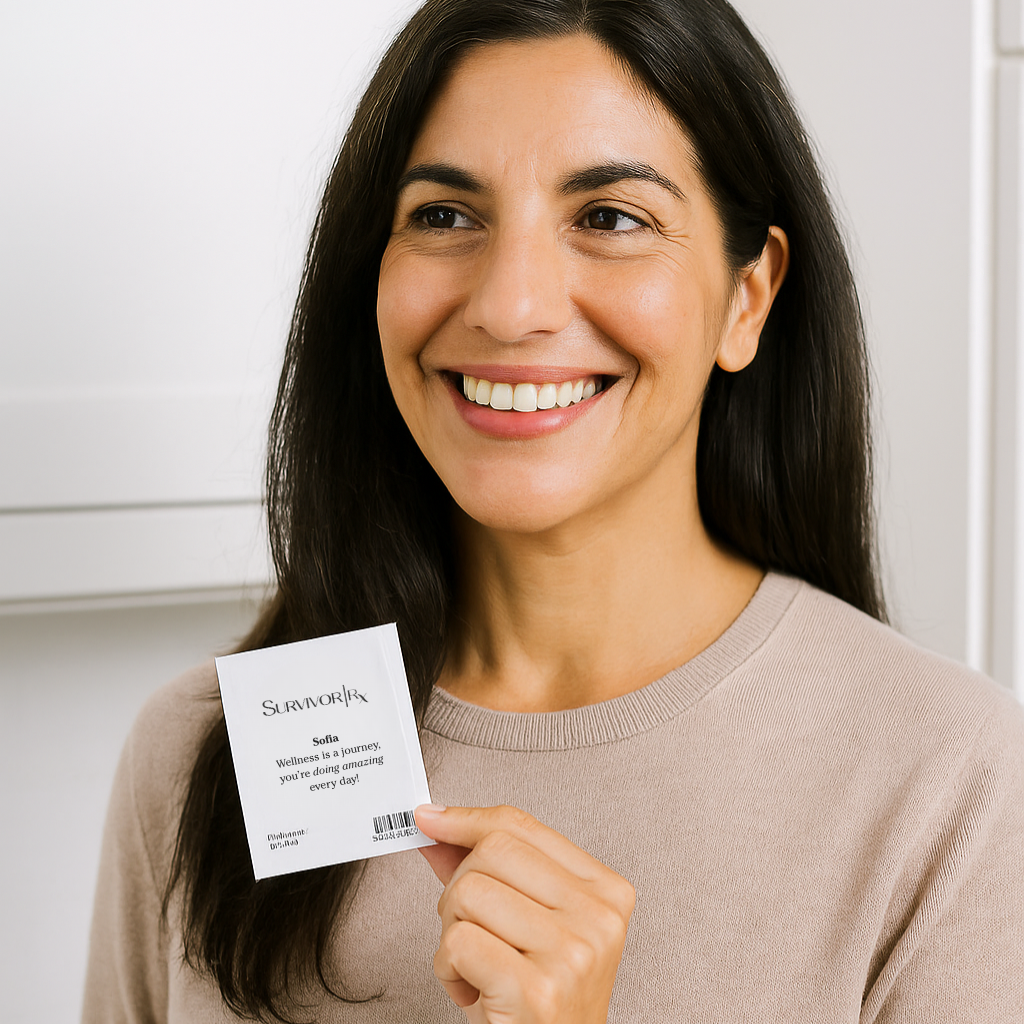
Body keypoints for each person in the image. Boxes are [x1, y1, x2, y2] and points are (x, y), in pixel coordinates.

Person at [83, 0, 1024, 1021]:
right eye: (445, 216)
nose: (510, 305)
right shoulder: (198, 753)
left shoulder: (952, 788)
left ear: (747, 296)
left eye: (609, 218)